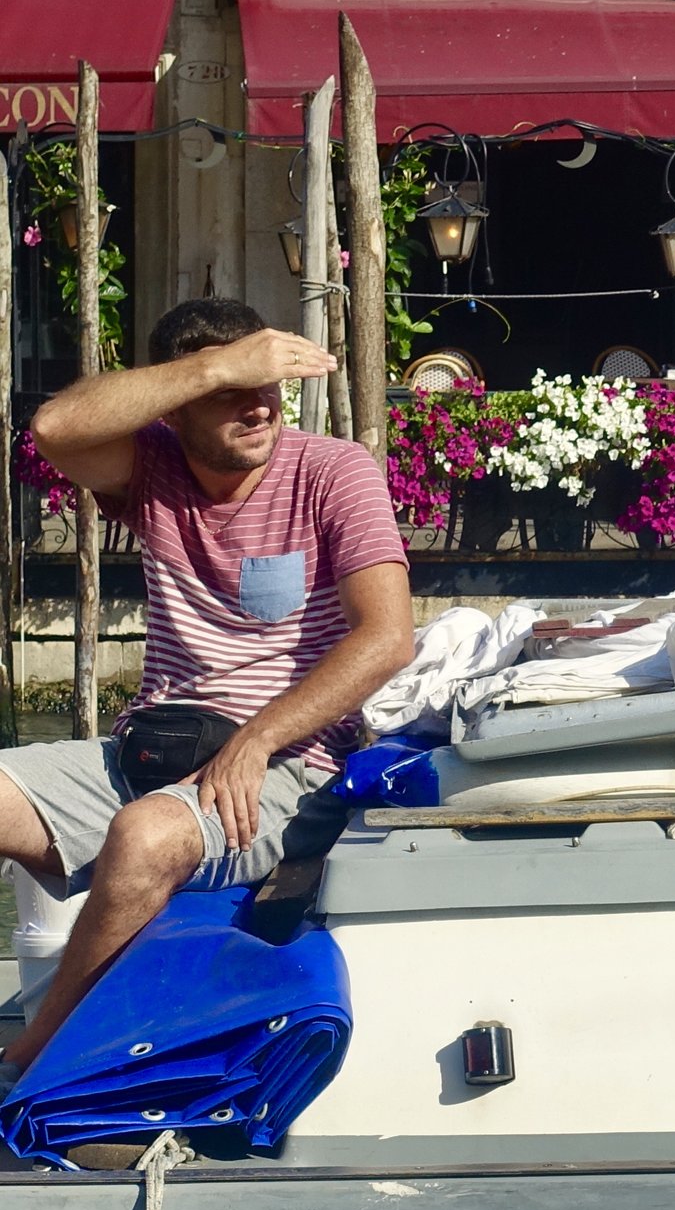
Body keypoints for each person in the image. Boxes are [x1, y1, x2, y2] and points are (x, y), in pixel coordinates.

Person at [0, 300, 413, 1094]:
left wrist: (255, 740)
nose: (259, 403)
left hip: (290, 769)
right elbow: (55, 427)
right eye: (233, 389)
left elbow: (387, 638)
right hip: (152, 751)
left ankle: (33, 1053)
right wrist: (219, 365)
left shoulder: (334, 470)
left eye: (269, 385)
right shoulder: (150, 467)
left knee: (147, 835)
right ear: (178, 400)